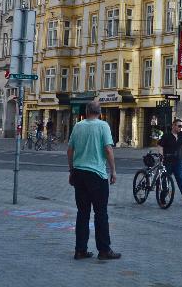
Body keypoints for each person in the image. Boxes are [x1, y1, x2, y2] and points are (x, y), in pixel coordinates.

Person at [67, 101, 119, 260]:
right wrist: (113, 171)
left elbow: (70, 150)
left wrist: (71, 170)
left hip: (79, 173)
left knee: (82, 213)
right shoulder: (103, 126)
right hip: (97, 174)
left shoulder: (78, 126)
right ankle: (104, 250)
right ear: (100, 112)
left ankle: (80, 249)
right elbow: (108, 149)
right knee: (100, 213)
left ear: (87, 111)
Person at [159, 118, 182, 205]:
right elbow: (160, 146)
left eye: (181, 126)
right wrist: (161, 156)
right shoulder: (166, 135)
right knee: (166, 181)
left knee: (180, 180)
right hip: (167, 162)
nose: (180, 127)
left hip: (178, 161)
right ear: (173, 126)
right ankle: (162, 197)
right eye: (179, 126)